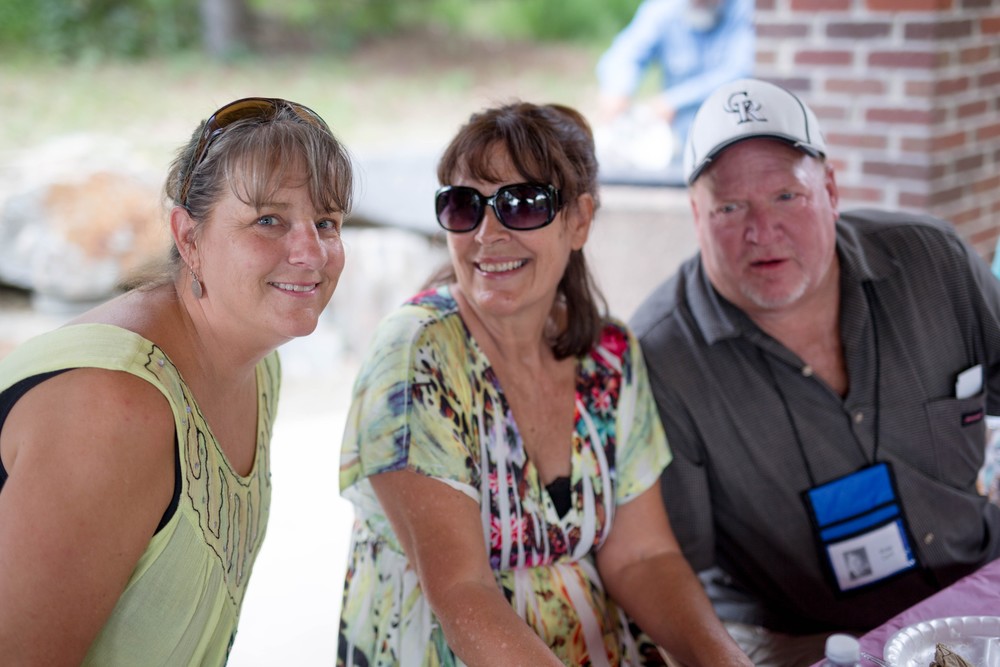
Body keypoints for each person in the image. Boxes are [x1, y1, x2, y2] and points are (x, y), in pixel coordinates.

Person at [337, 101, 751, 666]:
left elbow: (643, 558)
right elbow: (462, 591)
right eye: (464, 205)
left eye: (523, 204)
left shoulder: (609, 355)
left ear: (579, 220)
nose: (487, 233)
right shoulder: (416, 355)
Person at [631, 77, 1000, 666]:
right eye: (730, 207)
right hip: (800, 637)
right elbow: (664, 561)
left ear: (830, 190)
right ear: (696, 216)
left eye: (787, 195)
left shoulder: (933, 260)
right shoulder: (662, 355)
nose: (762, 230)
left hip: (975, 588)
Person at [0, 97, 354, 665]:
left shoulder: (258, 363)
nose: (311, 252)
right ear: (188, 237)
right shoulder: (113, 407)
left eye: (327, 223)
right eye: (268, 220)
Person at [595, 0, 755, 166]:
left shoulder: (748, 11)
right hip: (677, 145)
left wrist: (673, 102)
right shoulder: (664, 9)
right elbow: (624, 53)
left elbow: (740, 73)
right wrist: (618, 90)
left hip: (731, 142)